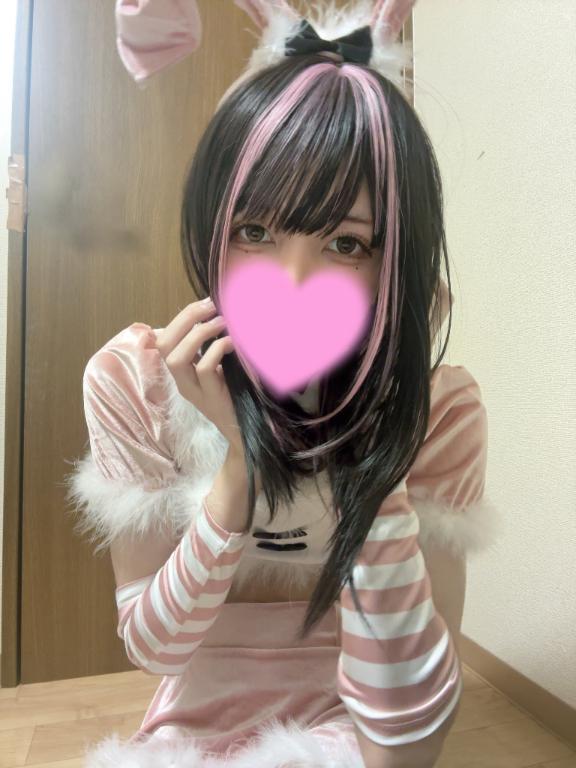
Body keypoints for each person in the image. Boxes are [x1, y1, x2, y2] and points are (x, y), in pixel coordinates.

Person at [64, 1, 501, 766]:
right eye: (255, 230)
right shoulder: (135, 384)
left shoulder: (442, 411)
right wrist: (238, 467)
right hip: (191, 716)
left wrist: (380, 431)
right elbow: (155, 648)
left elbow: (406, 746)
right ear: (213, 224)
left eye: (347, 243)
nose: (293, 283)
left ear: (397, 262)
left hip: (352, 711)